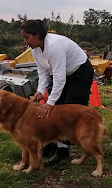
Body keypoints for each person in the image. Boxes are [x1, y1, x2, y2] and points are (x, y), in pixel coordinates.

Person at [20, 19, 94, 166]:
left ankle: (63, 150)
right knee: (57, 110)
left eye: (27, 37)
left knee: (68, 110)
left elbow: (59, 78)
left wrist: (50, 102)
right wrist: (41, 90)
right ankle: (57, 142)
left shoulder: (54, 46)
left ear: (37, 35)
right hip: (65, 75)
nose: (25, 41)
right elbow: (43, 71)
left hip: (80, 72)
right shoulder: (35, 49)